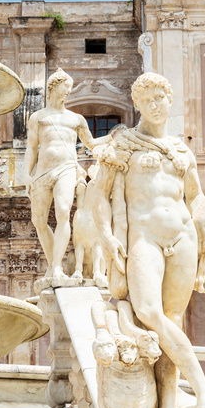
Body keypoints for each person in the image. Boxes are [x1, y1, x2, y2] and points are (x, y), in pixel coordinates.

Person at [92, 72, 205, 408]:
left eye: (160, 98)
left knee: (173, 320)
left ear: (169, 100)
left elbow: (196, 198)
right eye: (147, 100)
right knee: (148, 311)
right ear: (137, 105)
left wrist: (204, 241)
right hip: (143, 238)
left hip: (183, 238)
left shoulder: (181, 150)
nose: (155, 105)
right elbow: (100, 194)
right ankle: (203, 390)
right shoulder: (123, 146)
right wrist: (106, 236)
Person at [24, 69, 119, 285]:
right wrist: (26, 174)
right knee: (38, 220)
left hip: (67, 168)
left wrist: (114, 137)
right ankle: (52, 263)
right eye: (64, 88)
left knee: (63, 213)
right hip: (42, 171)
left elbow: (91, 143)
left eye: (69, 89)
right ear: (52, 87)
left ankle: (57, 267)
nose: (67, 93)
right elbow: (31, 147)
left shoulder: (75, 119)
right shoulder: (37, 117)